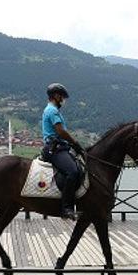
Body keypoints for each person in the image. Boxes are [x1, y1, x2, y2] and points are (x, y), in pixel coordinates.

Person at [41, 83, 84, 220]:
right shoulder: (52, 111)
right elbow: (61, 131)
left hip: (60, 147)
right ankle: (66, 208)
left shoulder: (53, 110)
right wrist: (75, 143)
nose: (63, 100)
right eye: (62, 97)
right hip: (55, 149)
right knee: (73, 171)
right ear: (56, 96)